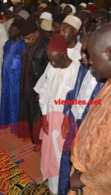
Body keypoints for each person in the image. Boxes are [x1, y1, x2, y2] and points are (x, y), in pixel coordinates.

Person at [34, 34, 80, 194]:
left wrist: (68, 119)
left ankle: (60, 188)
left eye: (55, 59)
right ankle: (52, 186)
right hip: (49, 117)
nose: (52, 63)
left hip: (64, 123)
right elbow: (45, 92)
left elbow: (77, 101)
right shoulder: (52, 66)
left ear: (64, 54)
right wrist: (44, 116)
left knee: (61, 157)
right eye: (50, 59)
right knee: (49, 153)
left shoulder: (77, 71)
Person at [68, 22, 111, 195]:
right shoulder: (107, 84)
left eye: (92, 56)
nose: (90, 61)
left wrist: (84, 178)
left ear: (109, 52)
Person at [58, 50, 105, 195]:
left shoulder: (105, 81)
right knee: (67, 162)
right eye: (83, 52)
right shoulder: (84, 68)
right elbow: (74, 93)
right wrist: (66, 115)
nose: (82, 57)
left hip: (90, 134)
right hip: (74, 122)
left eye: (87, 53)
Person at [17, 17, 49, 150]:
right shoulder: (29, 43)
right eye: (24, 39)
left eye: (29, 38)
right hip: (27, 83)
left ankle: (41, 142)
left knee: (38, 116)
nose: (26, 41)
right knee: (29, 112)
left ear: (37, 33)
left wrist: (42, 90)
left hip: (38, 87)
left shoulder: (46, 44)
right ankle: (32, 137)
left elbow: (49, 71)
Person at [0, 19, 25, 133]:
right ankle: (7, 123)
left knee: (15, 103)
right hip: (6, 77)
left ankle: (15, 127)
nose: (9, 30)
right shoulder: (8, 43)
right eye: (9, 28)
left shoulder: (23, 45)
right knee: (6, 100)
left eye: (12, 28)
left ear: (19, 31)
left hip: (16, 81)